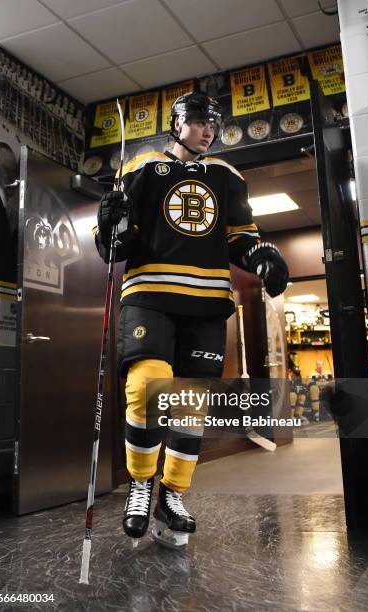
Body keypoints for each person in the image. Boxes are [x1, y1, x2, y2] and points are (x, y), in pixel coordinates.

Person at [94, 92, 289, 549]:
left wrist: (261, 257)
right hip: (149, 295)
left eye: (213, 124)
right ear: (177, 123)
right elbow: (115, 249)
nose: (208, 130)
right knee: (147, 385)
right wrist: (110, 226)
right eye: (199, 121)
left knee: (189, 405)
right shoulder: (140, 168)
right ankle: (141, 484)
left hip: (206, 302)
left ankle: (172, 495)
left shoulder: (227, 177)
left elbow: (242, 237)